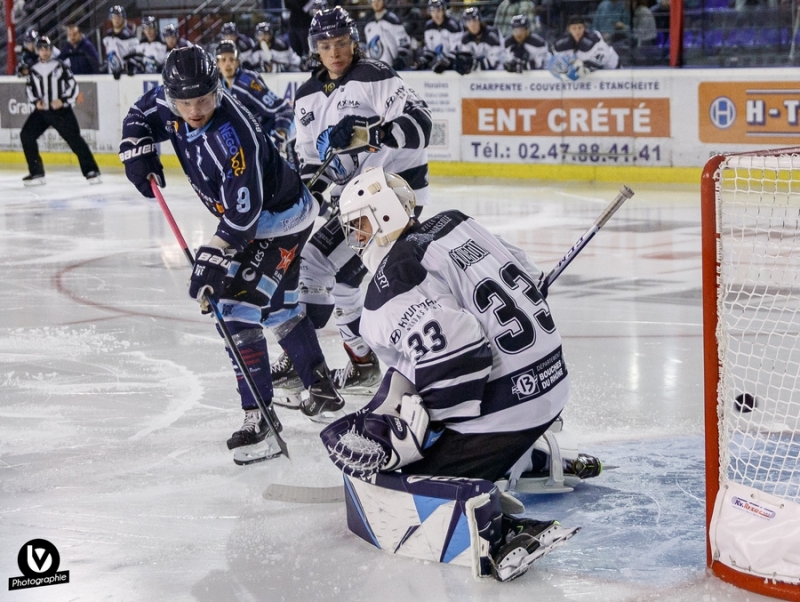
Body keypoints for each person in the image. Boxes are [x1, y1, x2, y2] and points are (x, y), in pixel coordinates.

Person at [319, 167, 597, 581]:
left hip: (511, 409)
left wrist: (416, 432)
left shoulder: (390, 279)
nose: (357, 238)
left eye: (360, 225)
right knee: (417, 376)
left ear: (382, 217)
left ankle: (504, 536)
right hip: (552, 382)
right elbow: (530, 275)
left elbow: (461, 353)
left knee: (406, 473)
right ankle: (532, 457)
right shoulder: (456, 222)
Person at [119, 46, 345, 465]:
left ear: (218, 90)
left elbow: (244, 217)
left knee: (236, 306)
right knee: (277, 309)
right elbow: (139, 113)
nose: (194, 110)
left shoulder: (232, 135)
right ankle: (321, 386)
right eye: (184, 103)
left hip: (277, 221)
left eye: (203, 100)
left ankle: (258, 418)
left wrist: (213, 258)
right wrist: (136, 146)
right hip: (272, 216)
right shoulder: (171, 100)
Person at [276, 6, 433, 403]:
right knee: (345, 283)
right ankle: (362, 361)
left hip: (392, 193)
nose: (335, 52)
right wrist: (299, 204)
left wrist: (366, 131)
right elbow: (315, 164)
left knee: (314, 263)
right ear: (315, 49)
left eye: (342, 43)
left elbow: (421, 124)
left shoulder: (374, 76)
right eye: (326, 46)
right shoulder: (307, 96)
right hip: (352, 200)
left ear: (354, 42)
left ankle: (301, 362)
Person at [20, 36, 101, 187]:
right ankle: (36, 172)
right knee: (26, 135)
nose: (44, 51)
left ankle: (91, 171)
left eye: (47, 48)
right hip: (42, 112)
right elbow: (29, 89)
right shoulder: (33, 69)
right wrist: (36, 102)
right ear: (38, 51)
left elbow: (73, 86)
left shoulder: (60, 66)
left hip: (61, 111)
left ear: (51, 50)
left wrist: (62, 101)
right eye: (41, 48)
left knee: (74, 139)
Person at [214, 40, 294, 152]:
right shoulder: (218, 88)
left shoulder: (247, 82)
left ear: (237, 62)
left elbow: (284, 109)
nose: (228, 64)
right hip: (249, 144)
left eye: (232, 59)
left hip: (266, 140)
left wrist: (279, 134)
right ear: (217, 64)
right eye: (223, 59)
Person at [550, 15, 620, 80]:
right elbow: (556, 60)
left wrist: (586, 67)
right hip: (588, 75)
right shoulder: (562, 43)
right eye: (574, 28)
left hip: (613, 68)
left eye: (580, 27)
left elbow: (603, 58)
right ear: (569, 29)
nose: (577, 31)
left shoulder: (594, 38)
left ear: (584, 27)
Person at [363, 0, 413, 70]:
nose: (376, 3)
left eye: (378, 1)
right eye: (373, 1)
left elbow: (404, 42)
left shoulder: (393, 20)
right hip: (373, 69)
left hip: (390, 67)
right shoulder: (368, 23)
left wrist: (399, 59)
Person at [417, 0, 462, 72]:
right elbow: (430, 49)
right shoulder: (428, 26)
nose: (436, 14)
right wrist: (424, 61)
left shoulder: (453, 25)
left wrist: (445, 63)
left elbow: (456, 49)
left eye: (438, 10)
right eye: (433, 11)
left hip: (454, 64)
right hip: (437, 64)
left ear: (444, 11)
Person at [455, 7, 503, 74]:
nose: (472, 24)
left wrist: (474, 65)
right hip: (476, 76)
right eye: (469, 21)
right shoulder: (465, 38)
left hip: (498, 74)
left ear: (480, 21)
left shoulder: (492, 35)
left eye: (474, 20)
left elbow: (495, 60)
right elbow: (466, 57)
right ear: (465, 24)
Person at [102, 5, 138, 79]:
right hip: (111, 74)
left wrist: (130, 68)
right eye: (114, 17)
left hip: (126, 76)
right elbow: (109, 55)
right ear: (111, 19)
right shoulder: (107, 36)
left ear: (123, 18)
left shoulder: (130, 36)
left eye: (119, 17)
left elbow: (134, 57)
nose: (116, 20)